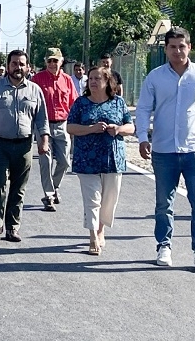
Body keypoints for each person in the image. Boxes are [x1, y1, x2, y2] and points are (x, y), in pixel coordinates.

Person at [135, 26, 195, 273]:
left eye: (182, 46)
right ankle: (164, 245)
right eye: (172, 47)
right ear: (165, 49)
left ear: (190, 47)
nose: (177, 51)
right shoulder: (155, 77)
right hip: (163, 150)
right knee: (164, 202)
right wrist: (142, 136)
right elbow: (143, 109)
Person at [0, 49, 50, 242]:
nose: (17, 67)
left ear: (27, 67)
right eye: (14, 63)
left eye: (21, 64)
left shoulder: (35, 90)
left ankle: (12, 227)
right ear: (8, 66)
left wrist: (44, 141)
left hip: (24, 145)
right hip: (0, 144)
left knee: (19, 188)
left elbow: (42, 119)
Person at [67, 66, 134, 255]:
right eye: (91, 78)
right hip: (86, 160)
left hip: (113, 160)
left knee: (109, 200)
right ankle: (92, 236)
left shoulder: (118, 102)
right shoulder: (81, 103)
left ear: (107, 81)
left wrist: (118, 129)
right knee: (92, 200)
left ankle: (101, 229)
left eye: (98, 78)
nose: (93, 81)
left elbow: (131, 127)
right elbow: (70, 127)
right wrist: (91, 128)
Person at [31, 47, 78, 211]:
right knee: (46, 161)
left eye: (55, 60)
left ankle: (55, 185)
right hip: (43, 125)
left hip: (62, 124)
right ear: (45, 62)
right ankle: (49, 195)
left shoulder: (67, 80)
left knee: (65, 162)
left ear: (61, 61)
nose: (52, 63)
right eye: (49, 60)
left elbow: (74, 103)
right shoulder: (37, 79)